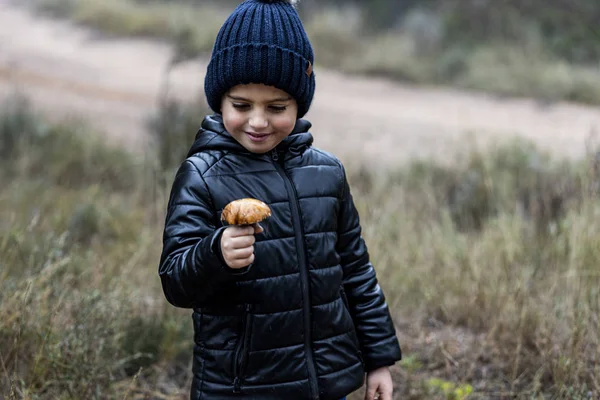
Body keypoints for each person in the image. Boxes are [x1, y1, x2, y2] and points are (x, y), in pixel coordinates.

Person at [158, 0, 402, 399]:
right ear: (220, 102)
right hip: (241, 387)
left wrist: (378, 359)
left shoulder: (327, 173)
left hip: (326, 381)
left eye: (276, 107)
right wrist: (215, 253)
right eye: (241, 105)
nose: (257, 121)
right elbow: (175, 281)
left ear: (299, 104)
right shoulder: (202, 175)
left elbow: (356, 270)